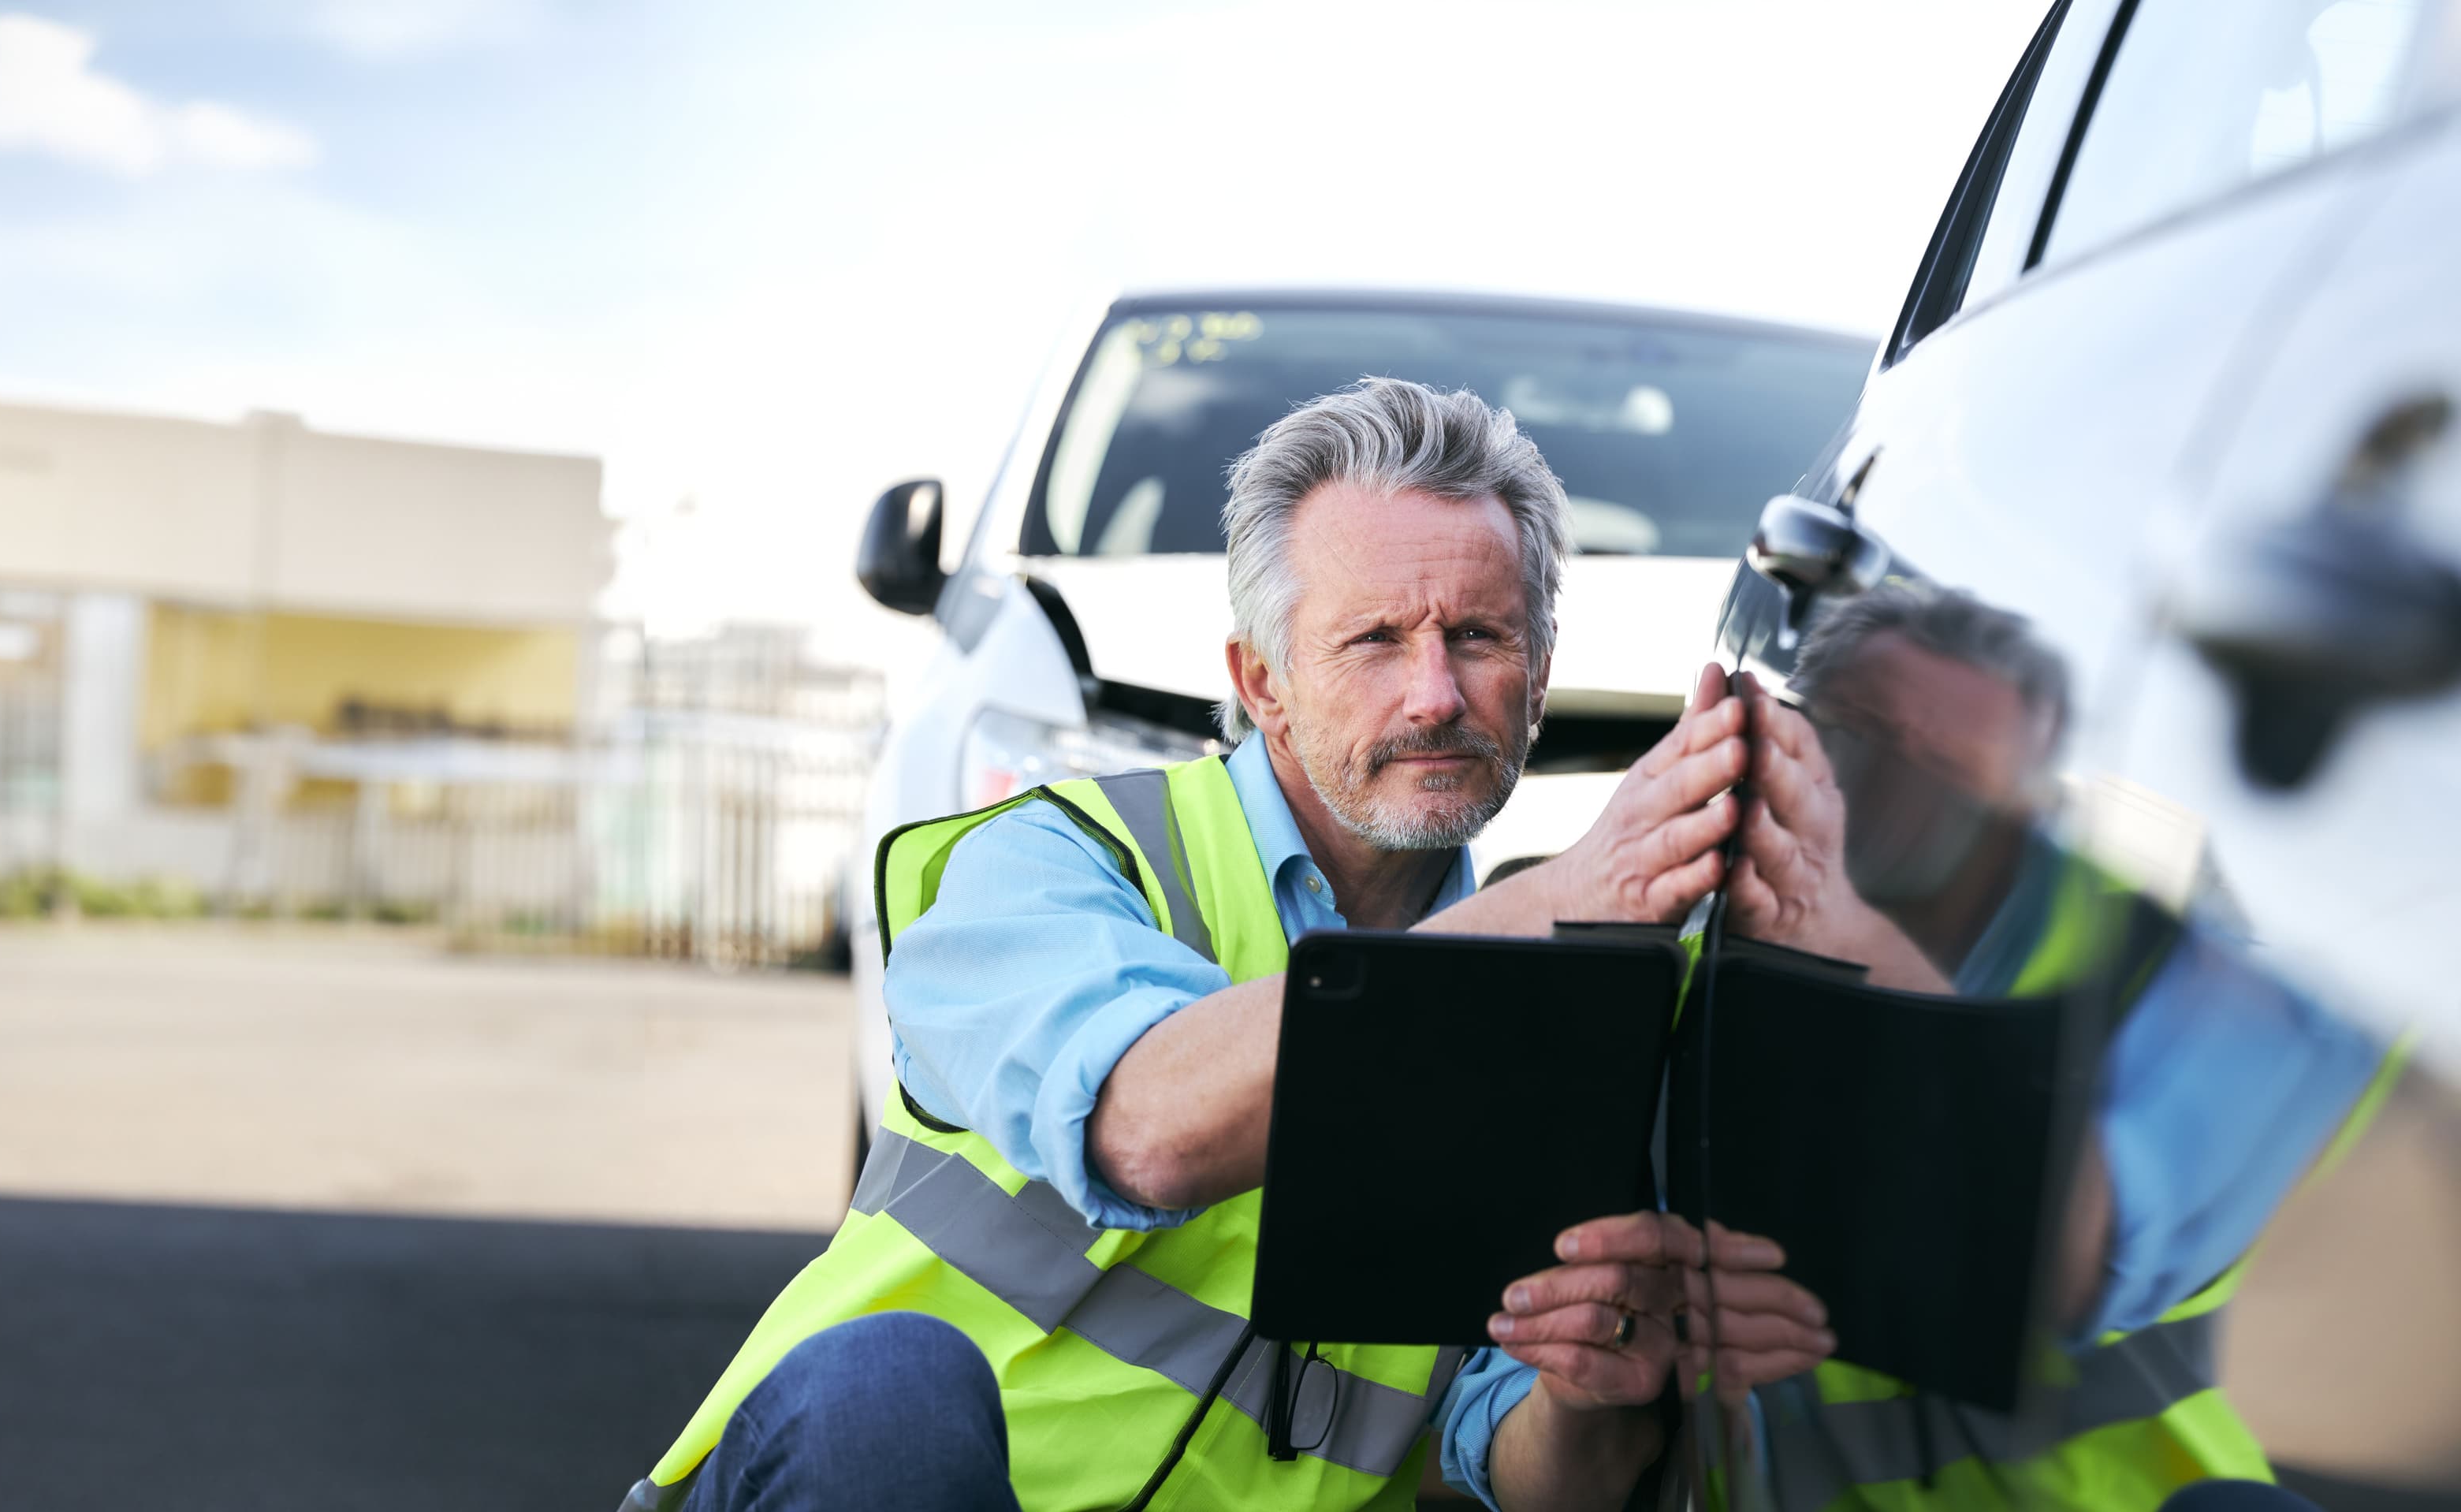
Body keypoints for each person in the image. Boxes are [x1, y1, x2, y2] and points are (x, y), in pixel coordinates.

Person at [624, 378, 1833, 1512]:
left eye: (1478, 636)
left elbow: (1522, 1475)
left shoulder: (1568, 1032)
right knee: (887, 1384)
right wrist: (1572, 894)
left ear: (1541, 677)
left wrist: (1588, 1385)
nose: (1435, 694)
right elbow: (1146, 1130)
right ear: (1262, 683)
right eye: (1375, 640)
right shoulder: (1049, 863)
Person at [1716, 582, 2400, 1512]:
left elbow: (2056, 1255)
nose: (1884, 794)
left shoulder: (2215, 1005)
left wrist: (1857, 947)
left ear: (2030, 805)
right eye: (1858, 738)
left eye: (1945, 774)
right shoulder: (1712, 972)